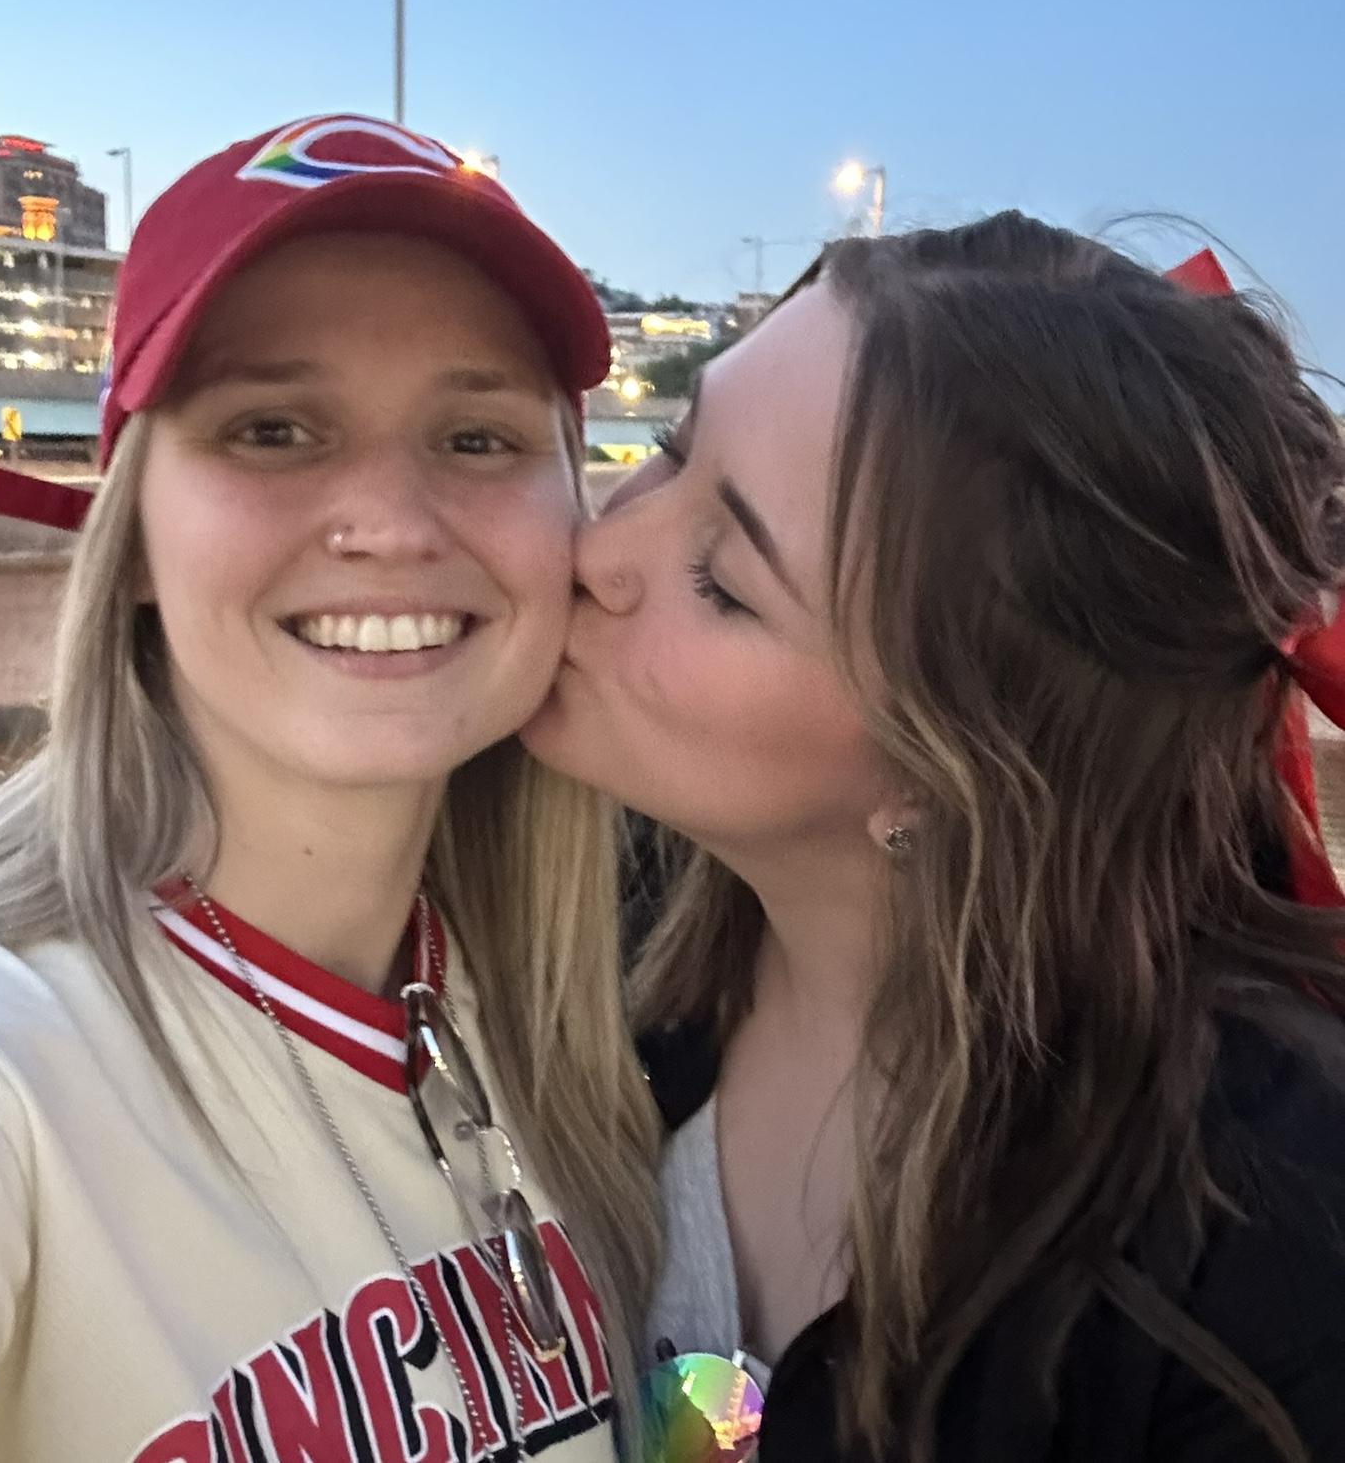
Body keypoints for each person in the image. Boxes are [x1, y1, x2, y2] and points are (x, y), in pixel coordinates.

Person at [0, 113, 660, 1463]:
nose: (393, 525)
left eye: (477, 439)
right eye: (274, 429)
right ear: (136, 533)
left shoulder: (577, 1020)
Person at [522, 213, 1345, 1461]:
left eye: (725, 582)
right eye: (673, 451)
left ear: (944, 763)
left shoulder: (1264, 1240)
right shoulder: (574, 921)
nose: (595, 548)